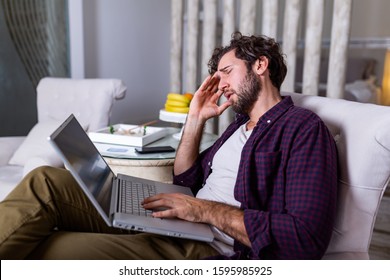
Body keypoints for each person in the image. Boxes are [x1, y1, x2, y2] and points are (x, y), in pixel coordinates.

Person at [0, 32, 337, 260]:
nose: (219, 86)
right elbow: (186, 180)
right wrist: (195, 119)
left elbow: (304, 239)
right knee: (45, 179)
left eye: (227, 73)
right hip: (183, 221)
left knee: (52, 248)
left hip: (211, 250)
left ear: (260, 65)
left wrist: (202, 211)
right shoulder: (238, 128)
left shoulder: (302, 129)